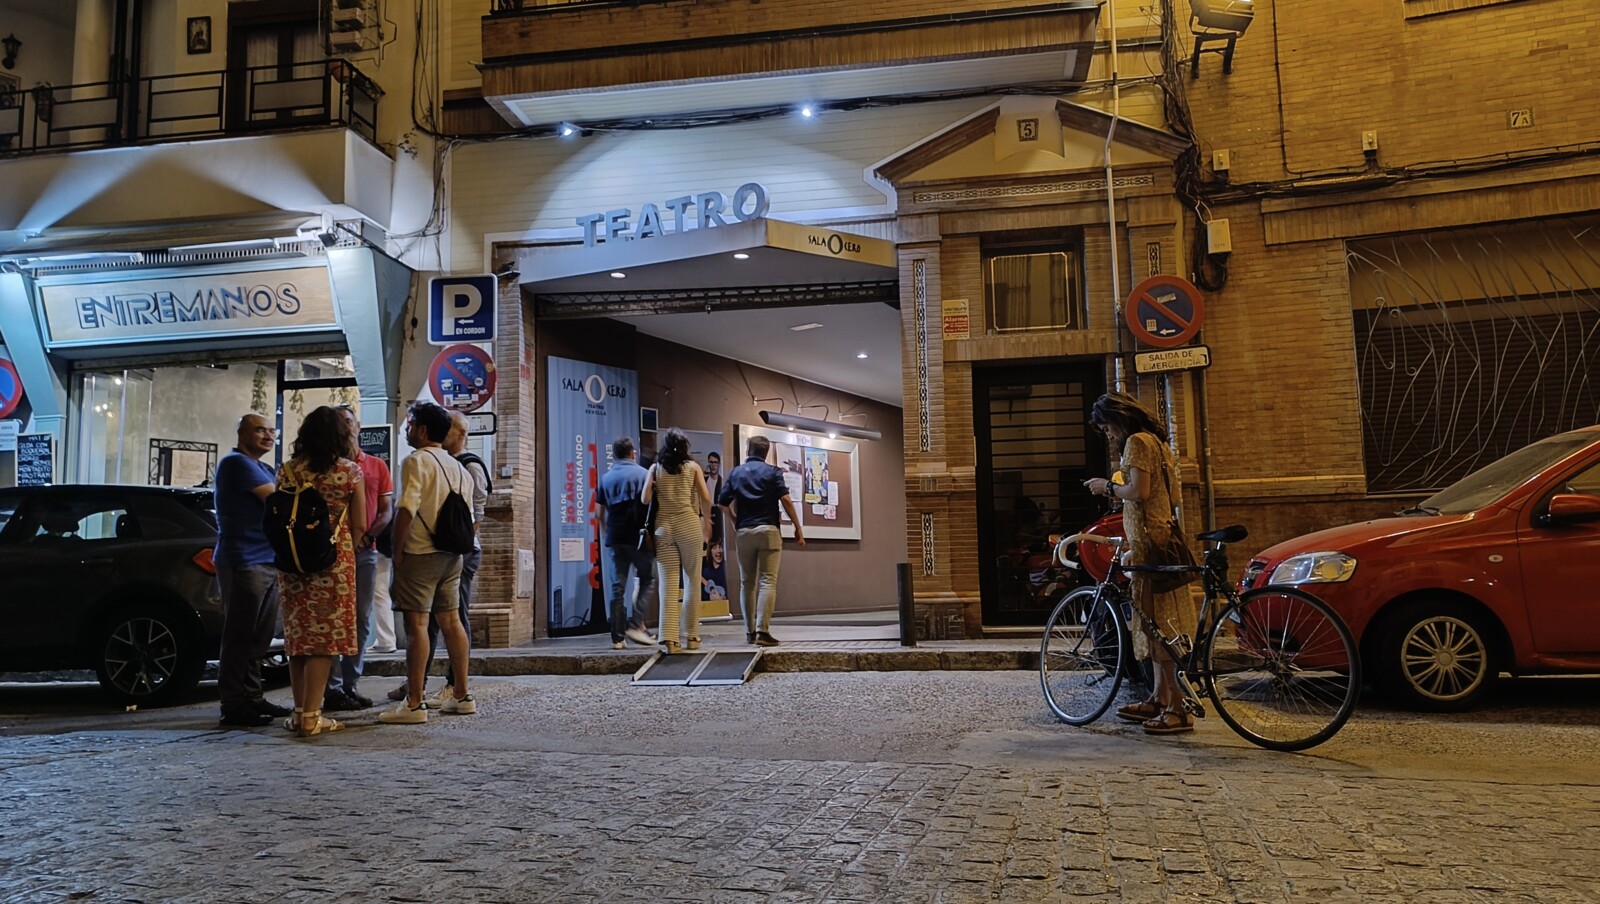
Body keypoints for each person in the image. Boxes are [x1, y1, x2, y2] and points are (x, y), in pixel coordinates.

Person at [1082, 392, 1198, 736]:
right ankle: (1158, 697)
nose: (1109, 436)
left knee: (1159, 625)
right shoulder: (1159, 443)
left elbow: (1139, 491)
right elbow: (1172, 497)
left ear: (1118, 418)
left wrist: (1107, 487)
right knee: (1153, 623)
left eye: (1107, 428)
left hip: (1151, 546)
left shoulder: (1136, 441)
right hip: (1156, 540)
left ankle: (1177, 708)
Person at [380, 402, 476, 724]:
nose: (407, 431)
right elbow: (470, 518)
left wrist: (397, 549)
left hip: (420, 554)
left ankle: (415, 703)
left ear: (421, 430)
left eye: (409, 426)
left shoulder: (415, 462)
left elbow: (406, 509)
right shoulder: (459, 468)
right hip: (453, 556)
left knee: (417, 625)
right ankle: (462, 695)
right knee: (452, 622)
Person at [275, 406, 366, 737]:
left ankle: (299, 713)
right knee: (324, 642)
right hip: (333, 563)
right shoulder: (350, 472)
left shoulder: (288, 471)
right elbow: (361, 525)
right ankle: (313, 716)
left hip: (293, 562)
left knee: (298, 640)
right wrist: (345, 545)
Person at [213, 413, 290, 728]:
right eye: (260, 430)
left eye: (271, 431)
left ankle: (253, 697)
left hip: (266, 559)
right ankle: (233, 704)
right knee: (240, 635)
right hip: (244, 559)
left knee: (259, 637)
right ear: (241, 432)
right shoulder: (237, 464)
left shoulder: (263, 467)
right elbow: (276, 500)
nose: (268, 436)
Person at [323, 406, 392, 712]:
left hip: (364, 552)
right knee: (329, 619)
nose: (344, 427)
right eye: (338, 422)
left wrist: (364, 536)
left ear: (358, 426)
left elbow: (386, 509)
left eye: (347, 421)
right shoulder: (324, 467)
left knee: (359, 620)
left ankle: (349, 684)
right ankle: (331, 687)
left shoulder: (376, 466)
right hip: (330, 553)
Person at [718, 434, 805, 646]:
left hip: (744, 531)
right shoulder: (773, 472)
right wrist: (797, 527)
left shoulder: (736, 473)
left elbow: (721, 502)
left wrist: (734, 520)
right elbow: (785, 498)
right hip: (768, 531)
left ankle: (749, 632)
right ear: (765, 452)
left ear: (749, 450)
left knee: (747, 583)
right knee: (767, 580)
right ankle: (762, 632)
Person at [640, 427, 713, 654]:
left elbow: (644, 499)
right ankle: (692, 636)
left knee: (668, 584)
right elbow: (707, 497)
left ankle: (670, 640)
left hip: (663, 528)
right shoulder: (692, 467)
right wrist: (707, 522)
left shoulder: (655, 468)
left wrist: (655, 484)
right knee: (691, 580)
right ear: (685, 446)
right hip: (688, 525)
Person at [597, 436, 659, 650]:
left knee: (617, 588)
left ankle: (617, 638)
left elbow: (598, 513)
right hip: (638, 536)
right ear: (633, 452)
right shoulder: (643, 474)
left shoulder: (605, 478)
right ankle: (636, 623)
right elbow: (651, 504)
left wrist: (608, 532)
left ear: (614, 454)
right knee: (647, 578)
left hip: (615, 537)